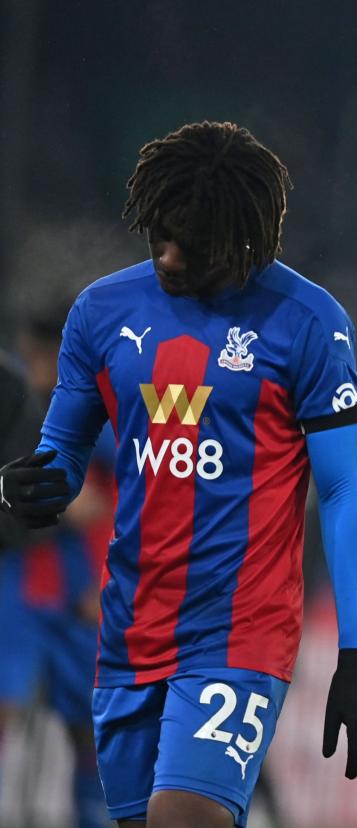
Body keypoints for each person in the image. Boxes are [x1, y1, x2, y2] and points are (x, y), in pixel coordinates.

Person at [0, 121, 357, 828]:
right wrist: (32, 487)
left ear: (242, 238)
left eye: (192, 244)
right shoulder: (102, 313)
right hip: (128, 630)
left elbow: (340, 490)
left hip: (239, 631)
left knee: (184, 816)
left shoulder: (308, 324)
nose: (170, 256)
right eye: (160, 237)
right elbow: (62, 453)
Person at [0, 307, 110, 828]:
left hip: (80, 595)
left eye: (44, 355)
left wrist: (110, 583)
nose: (35, 364)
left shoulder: (104, 412)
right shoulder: (18, 406)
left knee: (89, 732)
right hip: (21, 584)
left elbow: (123, 496)